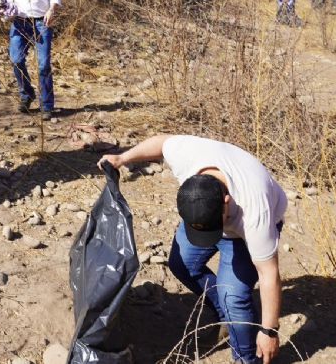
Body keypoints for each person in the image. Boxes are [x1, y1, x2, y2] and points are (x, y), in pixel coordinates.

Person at [99, 134, 287, 364]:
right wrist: (122, 158)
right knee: (182, 264)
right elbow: (161, 143)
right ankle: (229, 320)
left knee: (233, 296)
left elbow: (269, 274)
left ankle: (247, 358)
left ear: (226, 202)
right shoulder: (186, 157)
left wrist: (269, 331)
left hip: (241, 232)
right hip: (207, 211)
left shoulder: (255, 213)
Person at [2, 0, 62, 120]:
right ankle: (27, 94)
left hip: (41, 22)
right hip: (19, 21)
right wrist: (3, 9)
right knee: (16, 60)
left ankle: (47, 106)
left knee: (43, 65)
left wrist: (52, 9)